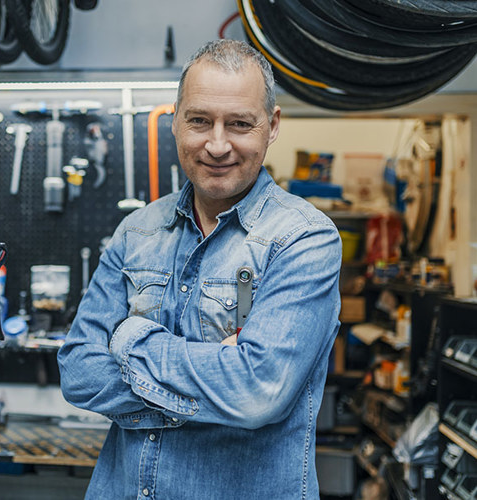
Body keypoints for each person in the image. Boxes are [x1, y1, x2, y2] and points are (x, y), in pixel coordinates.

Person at [58, 39, 342, 499]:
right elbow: (79, 372)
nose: (217, 144)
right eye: (199, 121)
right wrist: (216, 381)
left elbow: (256, 392)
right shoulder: (136, 232)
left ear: (271, 127)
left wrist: (129, 340)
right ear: (175, 122)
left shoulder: (305, 239)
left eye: (239, 124)